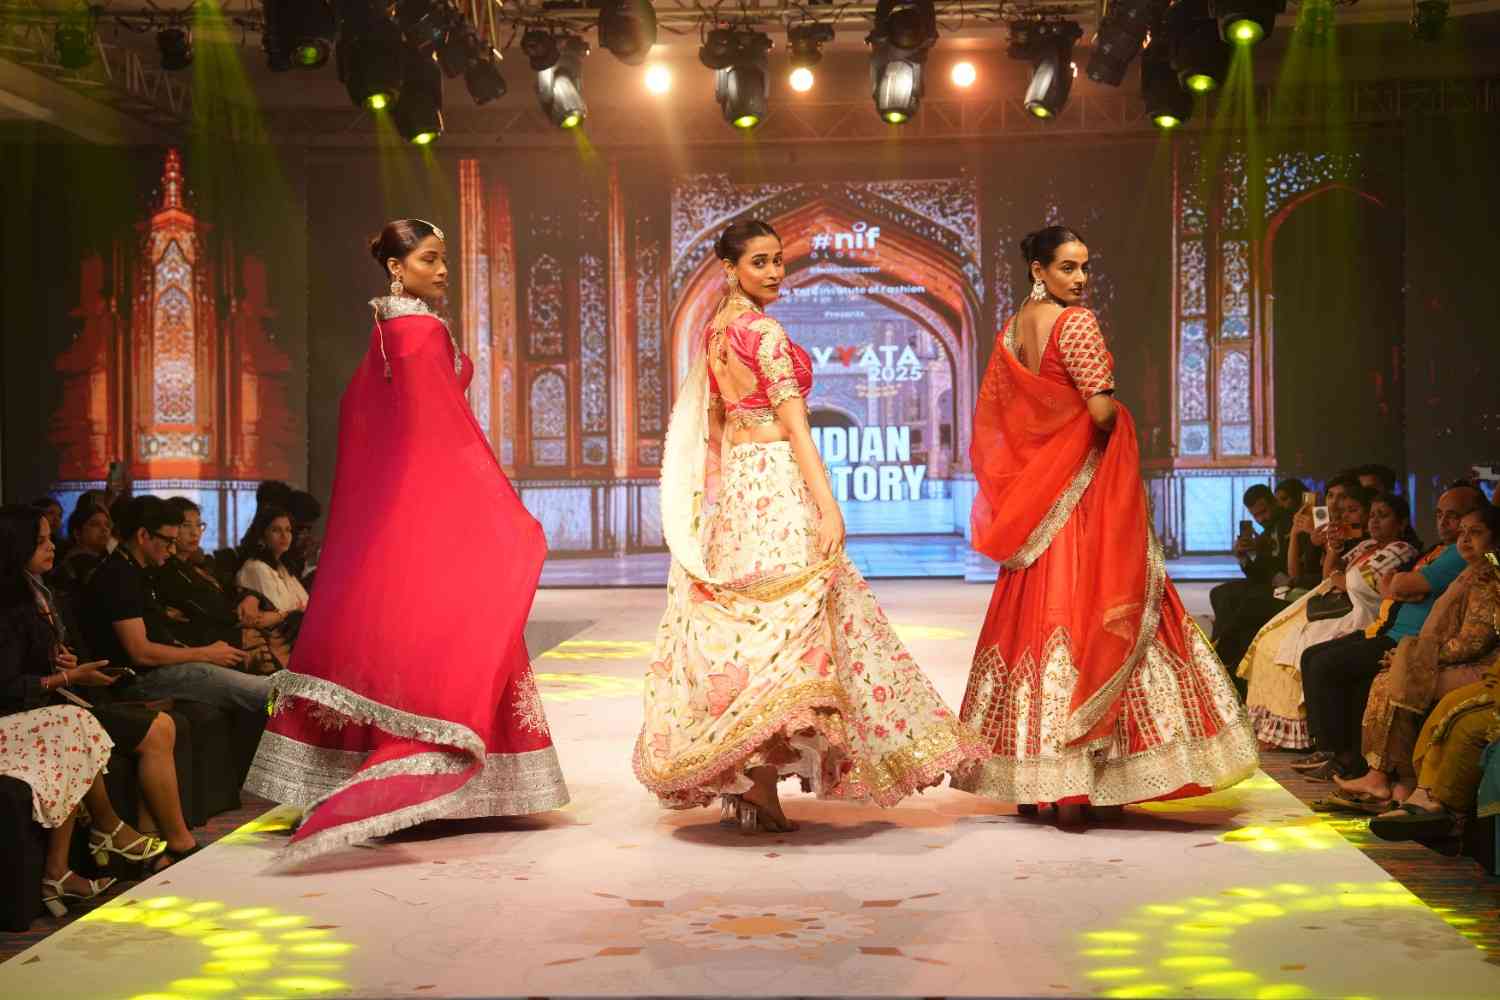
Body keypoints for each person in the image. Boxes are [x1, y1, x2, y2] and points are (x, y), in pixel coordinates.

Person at [634, 220, 986, 832]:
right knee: (793, 625)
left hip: (741, 489)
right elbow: (798, 429)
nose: (775, 272)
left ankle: (753, 784)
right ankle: (758, 786)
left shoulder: (715, 334)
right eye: (760, 262)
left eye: (778, 260)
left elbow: (717, 428)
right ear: (730, 268)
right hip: (775, 482)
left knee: (752, 630)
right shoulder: (764, 333)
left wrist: (719, 499)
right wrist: (828, 505)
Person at [244, 219, 568, 864]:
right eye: (429, 259)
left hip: (393, 511)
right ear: (397, 268)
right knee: (456, 630)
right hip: (429, 506)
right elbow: (442, 435)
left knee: (388, 632)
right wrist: (491, 503)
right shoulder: (419, 331)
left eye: (443, 259)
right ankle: (439, 778)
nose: (443, 270)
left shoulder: (385, 332)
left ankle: (337, 771)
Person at [954, 226, 1256, 823]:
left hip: (1037, 506)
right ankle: (1081, 783)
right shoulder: (1077, 324)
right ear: (1039, 270)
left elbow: (1010, 423)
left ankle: (1033, 781)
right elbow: (1098, 411)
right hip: (1084, 500)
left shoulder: (1012, 333)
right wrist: (1117, 416)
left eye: (1085, 267)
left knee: (1035, 625)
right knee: (1101, 612)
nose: (1081, 279)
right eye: (1068, 267)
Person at [1, 505, 199, 870]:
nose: (52, 546)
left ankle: (153, 840)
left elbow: (42, 661)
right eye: (40, 541)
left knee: (166, 724)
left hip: (60, 701)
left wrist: (69, 667)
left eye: (49, 538)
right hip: (30, 712)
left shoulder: (40, 592)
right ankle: (172, 840)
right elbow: (9, 684)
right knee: (156, 728)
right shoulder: (10, 604)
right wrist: (67, 677)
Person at [1292, 484, 1485, 779]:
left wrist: (1402, 586)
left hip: (1404, 639)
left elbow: (1401, 585)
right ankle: (1333, 751)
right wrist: (1399, 586)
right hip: (1386, 627)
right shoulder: (1437, 550)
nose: (1445, 523)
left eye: (1454, 516)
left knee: (1324, 663)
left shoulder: (1455, 553)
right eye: (1439, 515)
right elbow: (1386, 585)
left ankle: (1341, 756)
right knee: (1312, 655)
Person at [1335, 505, 1500, 809]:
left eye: (1475, 533)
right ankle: (1388, 778)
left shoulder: (1490, 576)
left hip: (1485, 666)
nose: (1465, 540)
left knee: (1401, 680)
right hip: (1453, 658)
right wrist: (1412, 656)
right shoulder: (1472, 571)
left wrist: (1418, 658)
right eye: (1462, 533)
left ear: (1496, 538)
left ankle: (1400, 780)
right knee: (1391, 678)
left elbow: (1474, 642)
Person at [79, 496, 266, 712]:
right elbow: (140, 652)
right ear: (143, 535)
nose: (172, 550)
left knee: (265, 689)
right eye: (168, 541)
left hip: (162, 669)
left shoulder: (138, 571)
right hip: (140, 680)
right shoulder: (119, 576)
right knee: (267, 693)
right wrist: (206, 653)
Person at [1210, 484, 1293, 674]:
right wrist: (1243, 557)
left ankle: (1221, 652)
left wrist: (1260, 551)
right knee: (1218, 593)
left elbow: (1283, 570)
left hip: (1285, 589)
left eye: (1263, 512)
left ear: (1274, 502)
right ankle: (1220, 647)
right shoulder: (1266, 532)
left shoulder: (1288, 524)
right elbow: (1260, 573)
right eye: (1255, 515)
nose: (1261, 519)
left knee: (1238, 600)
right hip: (1269, 585)